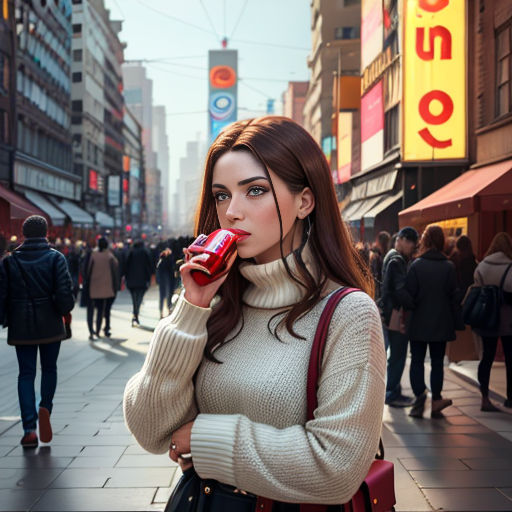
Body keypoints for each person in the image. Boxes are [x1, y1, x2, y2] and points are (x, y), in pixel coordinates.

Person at [123, 116, 386, 507]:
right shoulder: (216, 305)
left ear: (305, 201)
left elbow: (336, 468)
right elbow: (150, 429)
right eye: (222, 195)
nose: (231, 211)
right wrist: (190, 308)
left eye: (255, 190)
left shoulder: (348, 314)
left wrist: (204, 438)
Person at [0, 215, 74, 447]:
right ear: (46, 233)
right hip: (50, 322)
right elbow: (64, 294)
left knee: (26, 374)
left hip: (21, 324)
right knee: (49, 369)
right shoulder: (56, 258)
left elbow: (2, 295)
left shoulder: (9, 261)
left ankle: (29, 429)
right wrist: (65, 309)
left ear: (23, 234)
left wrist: (4, 318)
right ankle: (46, 407)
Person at [406, 225, 461, 418]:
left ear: (425, 241)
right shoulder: (449, 267)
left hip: (419, 321)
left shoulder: (416, 266)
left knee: (417, 361)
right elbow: (454, 296)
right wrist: (458, 321)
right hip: (441, 321)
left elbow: (409, 295)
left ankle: (419, 396)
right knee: (437, 361)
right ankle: (436, 398)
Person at [473, 232, 512, 411]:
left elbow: (476, 287)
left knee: (486, 359)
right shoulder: (510, 266)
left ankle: (484, 397)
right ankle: (510, 398)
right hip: (507, 320)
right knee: (510, 360)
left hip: (487, 318)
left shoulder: (482, 265)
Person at [379, 226, 417, 407]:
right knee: (398, 353)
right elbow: (400, 290)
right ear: (402, 240)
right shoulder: (397, 260)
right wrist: (414, 303)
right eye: (410, 243)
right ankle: (392, 391)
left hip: (390, 310)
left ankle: (394, 389)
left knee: (396, 353)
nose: (412, 247)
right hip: (396, 312)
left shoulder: (391, 256)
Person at [87, 237, 119, 340]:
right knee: (101, 310)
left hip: (93, 286)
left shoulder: (93, 255)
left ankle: (91, 331)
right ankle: (97, 331)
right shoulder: (109, 256)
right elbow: (116, 266)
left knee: (91, 310)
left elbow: (88, 270)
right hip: (105, 287)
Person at [125, 239, 153, 326]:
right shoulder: (145, 252)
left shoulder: (131, 252)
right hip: (143, 280)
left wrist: (126, 277)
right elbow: (149, 266)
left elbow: (126, 265)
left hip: (131, 280)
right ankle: (135, 315)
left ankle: (135, 315)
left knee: (134, 299)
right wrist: (149, 278)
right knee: (139, 298)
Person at [156, 244, 176, 318]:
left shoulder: (167, 258)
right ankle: (163, 312)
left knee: (166, 297)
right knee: (166, 296)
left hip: (166, 281)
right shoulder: (163, 258)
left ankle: (165, 312)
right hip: (166, 281)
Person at [370, 231, 391, 301]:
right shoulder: (390, 254)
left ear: (378, 241)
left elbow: (374, 275)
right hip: (387, 291)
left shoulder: (376, 256)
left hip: (379, 291)